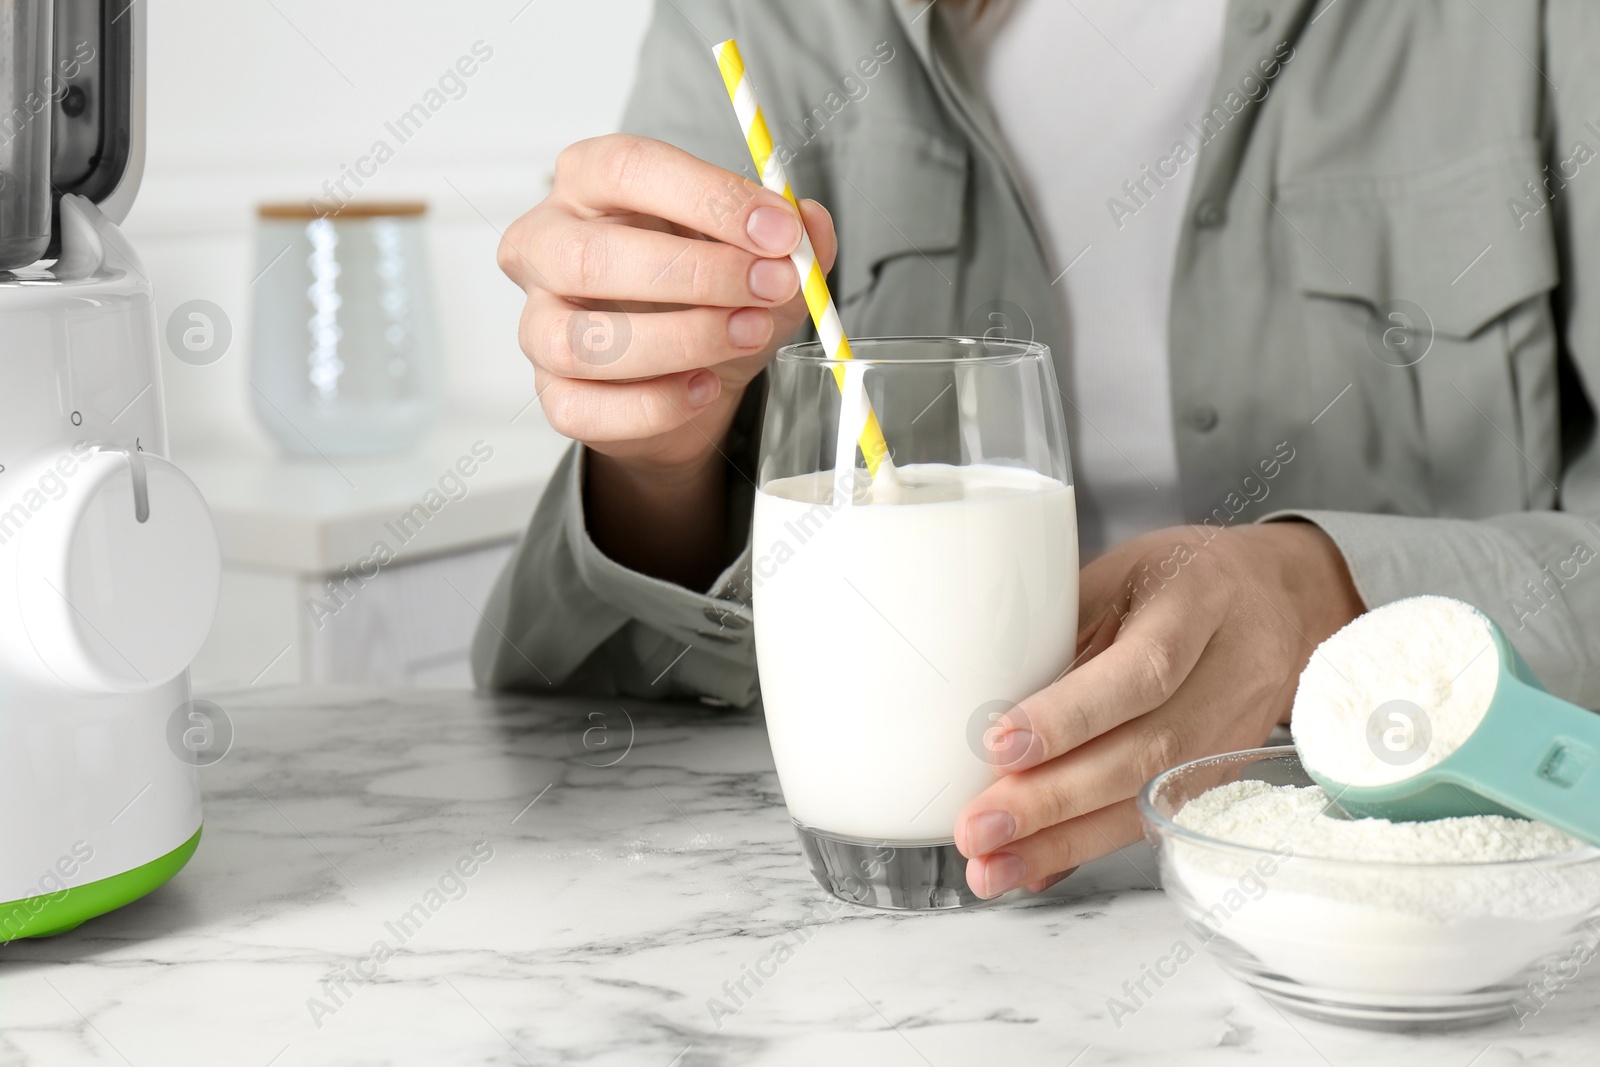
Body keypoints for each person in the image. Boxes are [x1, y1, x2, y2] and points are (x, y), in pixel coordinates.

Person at [473, 0, 1600, 899]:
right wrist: (666, 451)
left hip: (1409, 894)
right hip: (911, 941)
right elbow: (571, 691)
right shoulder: (765, 20)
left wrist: (1331, 602)